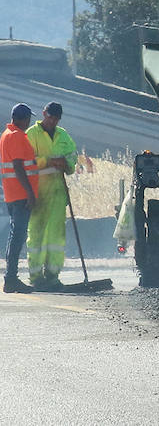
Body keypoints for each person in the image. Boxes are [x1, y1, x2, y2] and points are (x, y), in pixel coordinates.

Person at [25, 102, 76, 290]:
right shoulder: (32, 134)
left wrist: (67, 163)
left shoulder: (63, 135)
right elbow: (27, 162)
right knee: (36, 234)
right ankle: (36, 277)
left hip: (57, 193)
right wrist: (49, 161)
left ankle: (53, 276)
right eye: (50, 117)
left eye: (56, 119)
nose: (53, 121)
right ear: (44, 114)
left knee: (56, 237)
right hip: (38, 193)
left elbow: (73, 155)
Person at [0, 104, 37, 293]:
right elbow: (18, 166)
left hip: (12, 194)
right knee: (18, 236)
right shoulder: (16, 136)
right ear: (24, 119)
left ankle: (10, 278)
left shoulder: (6, 134)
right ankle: (11, 278)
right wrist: (30, 193)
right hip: (21, 194)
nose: (30, 121)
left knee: (16, 236)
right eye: (29, 118)